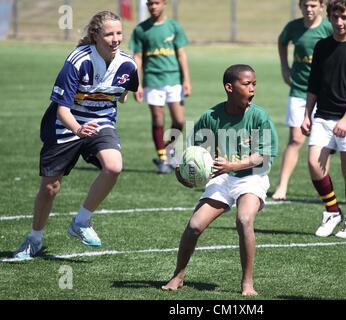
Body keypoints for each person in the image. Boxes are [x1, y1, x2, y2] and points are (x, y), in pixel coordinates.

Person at [13, 11, 139, 260]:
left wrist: (120, 94)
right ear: (95, 35)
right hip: (65, 125)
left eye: (119, 33)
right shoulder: (77, 61)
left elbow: (125, 92)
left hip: (100, 123)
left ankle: (81, 221)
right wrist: (78, 130)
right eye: (109, 34)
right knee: (50, 188)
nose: (115, 39)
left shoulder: (128, 63)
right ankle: (35, 239)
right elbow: (62, 109)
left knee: (113, 167)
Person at [162, 64, 278, 296]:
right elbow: (194, 153)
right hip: (222, 177)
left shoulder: (259, 117)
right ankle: (178, 275)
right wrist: (184, 172)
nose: (252, 89)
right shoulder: (211, 117)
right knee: (194, 226)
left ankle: (247, 283)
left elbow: (263, 156)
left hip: (251, 178)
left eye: (254, 84)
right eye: (246, 84)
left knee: (244, 219)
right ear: (229, 87)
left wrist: (233, 165)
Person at [272, 0, 346, 201]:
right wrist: (284, 67)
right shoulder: (301, 32)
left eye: (314, 5)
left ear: (321, 8)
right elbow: (283, 43)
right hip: (304, 93)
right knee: (298, 142)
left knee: (344, 166)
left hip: (338, 103)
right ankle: (285, 186)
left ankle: (345, 214)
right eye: (305, 5)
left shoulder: (343, 38)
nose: (339, 22)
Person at [301, 0, 346, 238]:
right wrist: (306, 114)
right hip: (322, 115)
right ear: (329, 17)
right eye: (335, 17)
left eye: (344, 17)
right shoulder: (322, 46)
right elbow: (313, 84)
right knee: (314, 163)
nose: (339, 22)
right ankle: (332, 211)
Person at [129, 0, 192, 174]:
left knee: (179, 120)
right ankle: (163, 158)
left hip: (174, 79)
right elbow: (138, 58)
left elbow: (181, 55)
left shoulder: (174, 27)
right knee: (158, 119)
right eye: (149, 4)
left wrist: (186, 80)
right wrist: (137, 83)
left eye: (156, 3)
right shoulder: (141, 29)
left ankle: (170, 150)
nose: (153, 7)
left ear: (165, 3)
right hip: (153, 80)